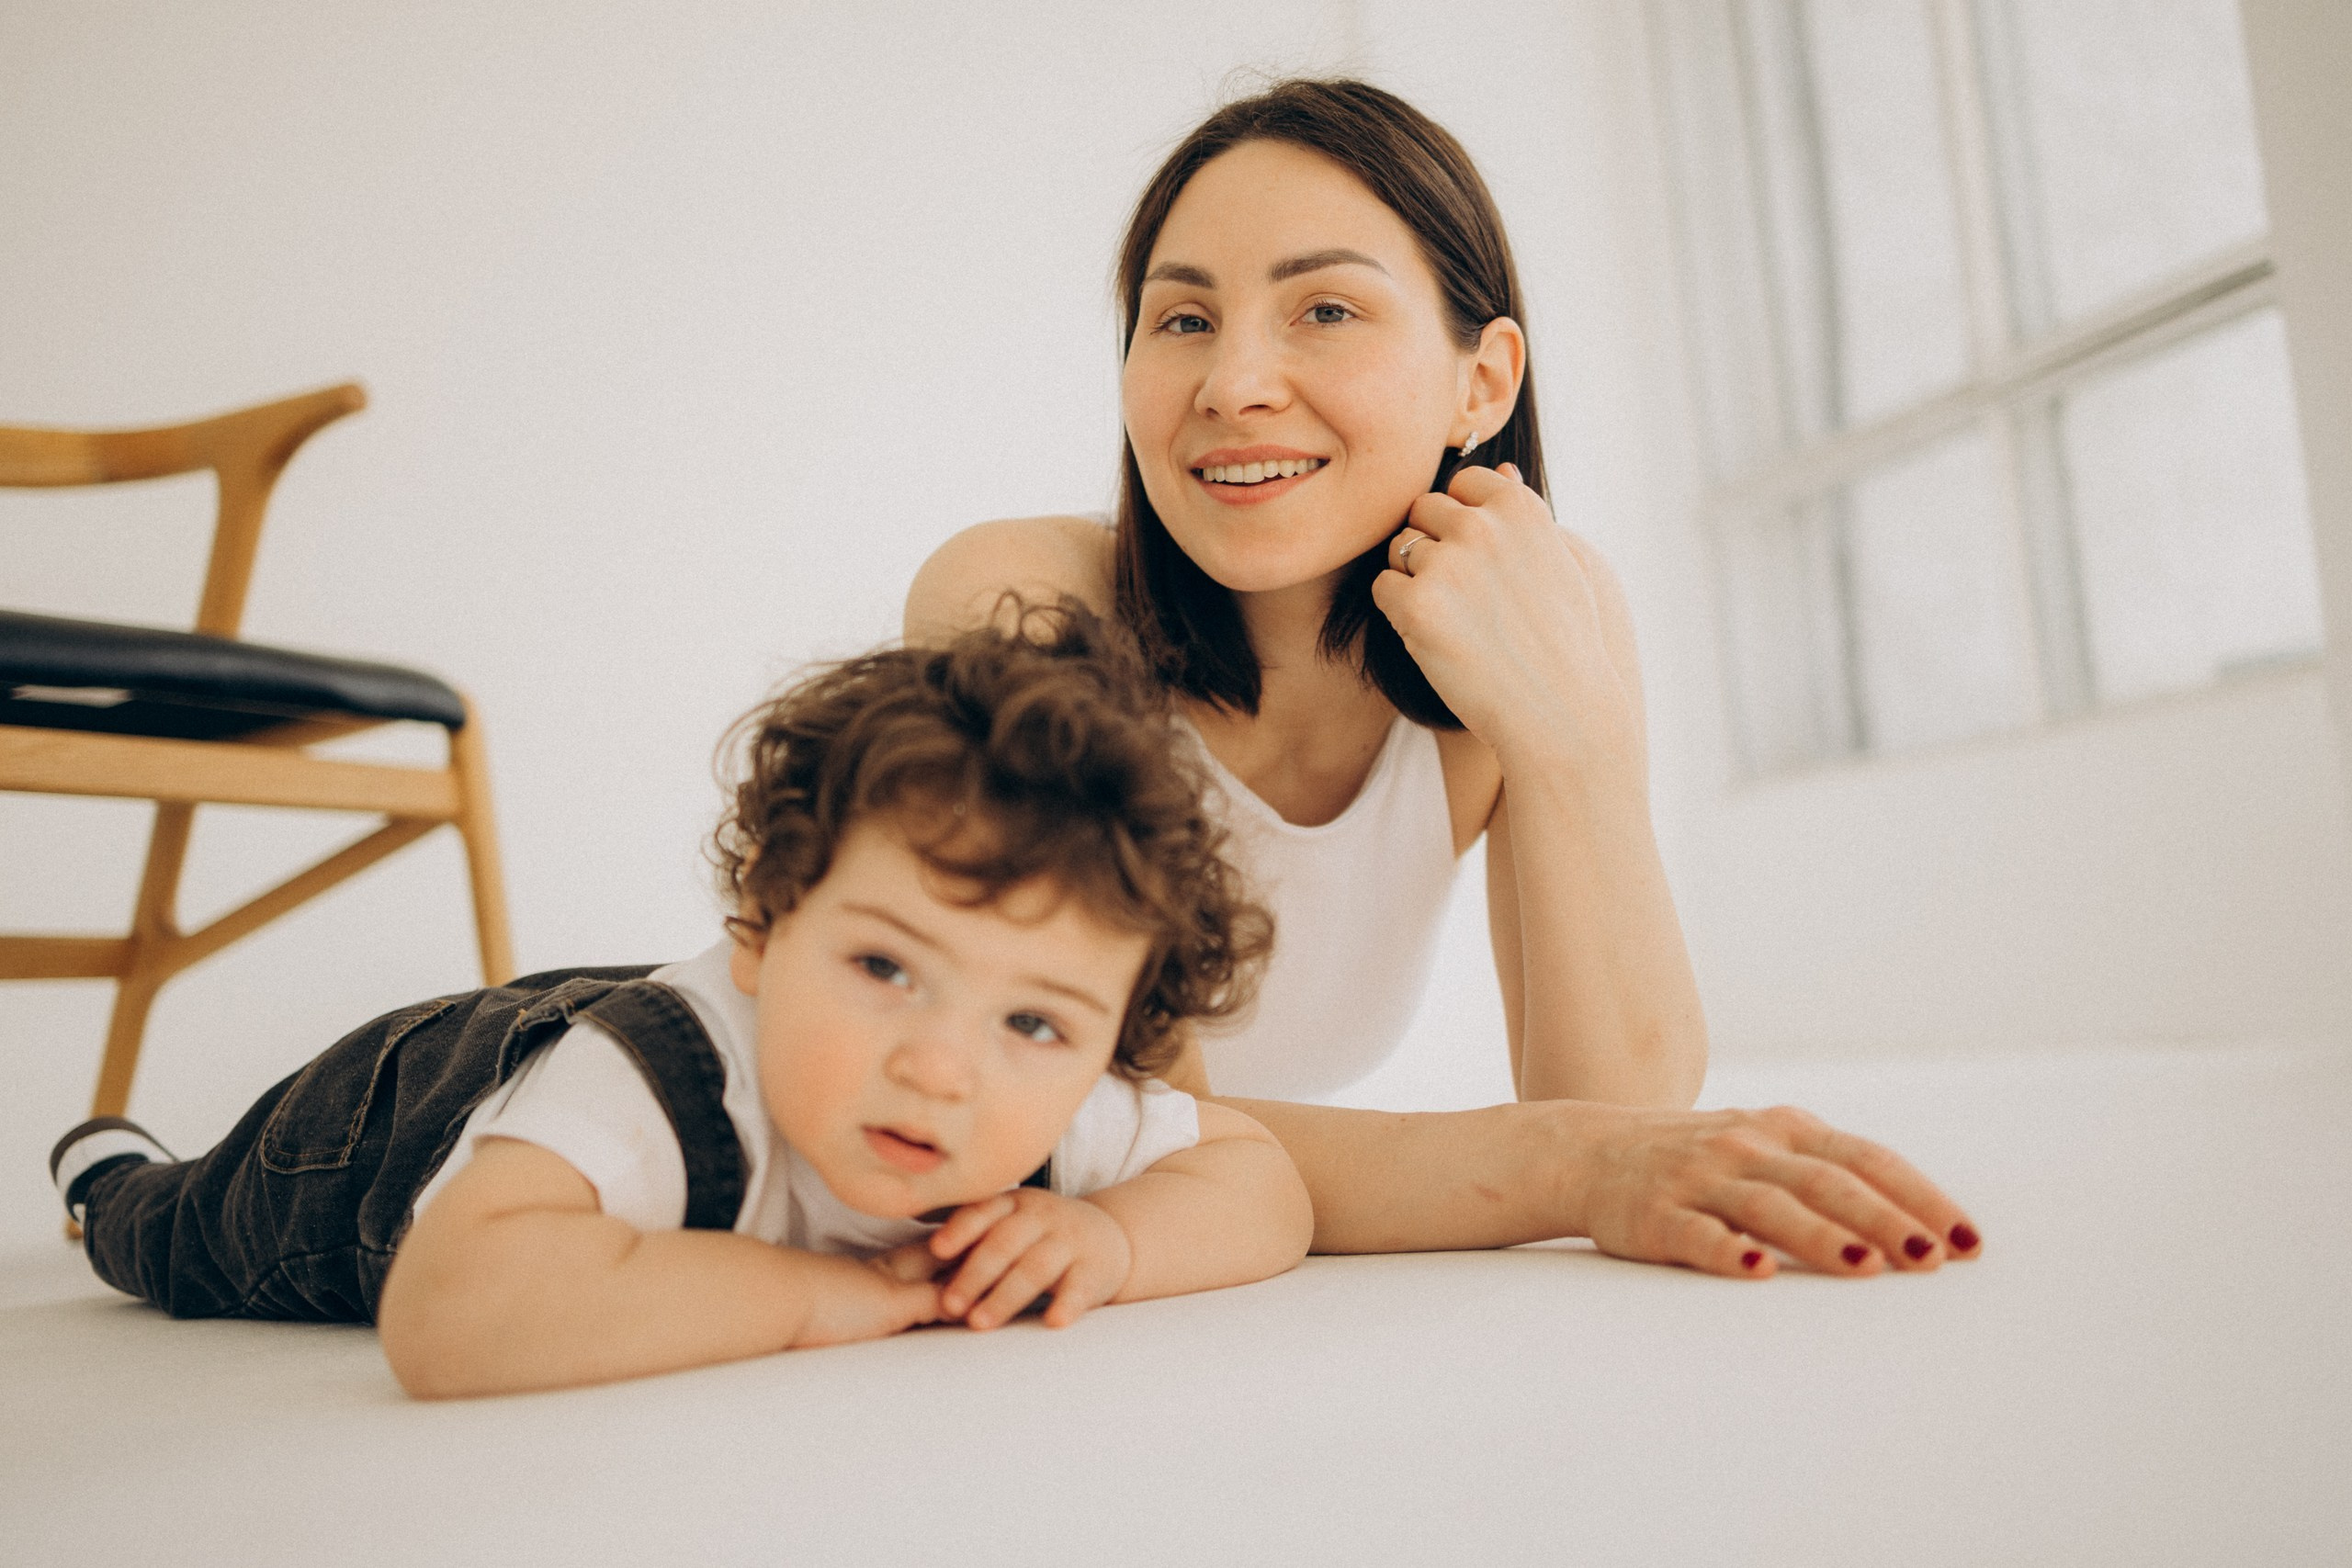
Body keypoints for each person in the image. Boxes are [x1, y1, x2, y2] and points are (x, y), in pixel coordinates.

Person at [907, 78, 1984, 1278]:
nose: (1234, 383)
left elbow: (1619, 1109)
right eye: (1182, 320)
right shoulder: (1019, 602)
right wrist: (1561, 1165)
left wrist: (1570, 740)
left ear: (1483, 382)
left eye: (1323, 309)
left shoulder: (1534, 622)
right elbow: (1123, 1129)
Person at [48, 606, 1312, 1398]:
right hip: (376, 1131)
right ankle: (107, 1170)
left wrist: (1117, 1241)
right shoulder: (657, 1086)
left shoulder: (1038, 1107)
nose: (943, 1068)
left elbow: (1265, 1182)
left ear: (1105, 1036)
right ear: (764, 925)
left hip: (621, 1022)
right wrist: (813, 1298)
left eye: (1035, 1023)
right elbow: (446, 1315)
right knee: (173, 1237)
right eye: (885, 968)